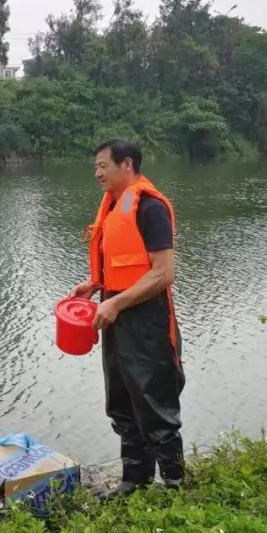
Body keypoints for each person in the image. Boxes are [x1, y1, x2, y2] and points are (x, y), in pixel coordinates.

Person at [69, 139, 185, 496]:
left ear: (128, 164)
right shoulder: (112, 206)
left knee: (154, 404)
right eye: (96, 167)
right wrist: (95, 285)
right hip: (114, 315)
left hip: (147, 319)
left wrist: (117, 304)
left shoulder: (149, 207)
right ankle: (134, 481)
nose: (97, 173)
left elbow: (162, 274)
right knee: (121, 401)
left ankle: (176, 485)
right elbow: (122, 264)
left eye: (104, 166)